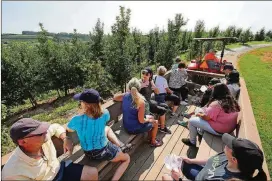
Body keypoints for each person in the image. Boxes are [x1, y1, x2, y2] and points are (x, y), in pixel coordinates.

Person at [2, 118, 98, 181]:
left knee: (92, 173)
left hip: (59, 170)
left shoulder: (44, 136)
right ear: (23, 142)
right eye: (39, 133)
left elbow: (55, 127)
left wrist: (65, 138)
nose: (45, 132)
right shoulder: (12, 172)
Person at [66, 89, 130, 181]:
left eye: (81, 102)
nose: (80, 103)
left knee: (107, 129)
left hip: (88, 152)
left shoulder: (76, 120)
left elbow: (69, 129)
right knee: (127, 158)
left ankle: (119, 146)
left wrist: (81, 114)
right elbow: (102, 118)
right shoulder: (105, 113)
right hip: (103, 150)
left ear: (85, 105)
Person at [162, 133, 267, 181]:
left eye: (230, 145)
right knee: (182, 162)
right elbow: (213, 160)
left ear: (234, 160)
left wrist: (179, 178)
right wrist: (191, 160)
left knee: (165, 177)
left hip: (202, 177)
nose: (226, 144)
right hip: (203, 173)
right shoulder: (230, 158)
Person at [114, 78, 163, 147]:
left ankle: (150, 137)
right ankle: (153, 141)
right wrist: (149, 120)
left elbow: (115, 97)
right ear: (139, 88)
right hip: (133, 129)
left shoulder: (125, 96)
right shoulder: (140, 101)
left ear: (129, 87)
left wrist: (125, 92)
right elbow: (141, 120)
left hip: (127, 125)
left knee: (151, 117)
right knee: (156, 122)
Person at [140, 68, 171, 134]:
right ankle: (162, 127)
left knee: (165, 106)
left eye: (146, 74)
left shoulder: (151, 81)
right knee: (162, 110)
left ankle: (160, 124)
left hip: (149, 101)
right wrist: (141, 86)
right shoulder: (140, 82)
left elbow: (157, 92)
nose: (144, 76)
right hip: (145, 104)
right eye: (143, 74)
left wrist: (153, 85)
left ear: (150, 75)